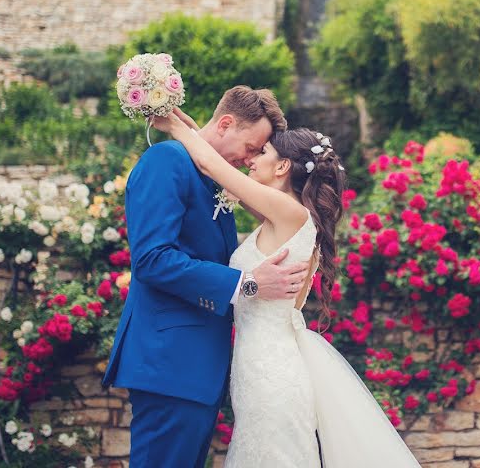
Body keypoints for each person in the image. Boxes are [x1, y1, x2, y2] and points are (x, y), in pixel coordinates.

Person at [153, 108, 421, 468]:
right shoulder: (280, 214)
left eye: (262, 152)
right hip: (258, 368)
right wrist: (192, 127)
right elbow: (211, 166)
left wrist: (173, 127)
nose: (251, 158)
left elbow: (215, 168)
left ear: (282, 168)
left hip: (271, 372)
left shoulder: (288, 212)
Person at [102, 86, 312, 468]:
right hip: (171, 363)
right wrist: (246, 284)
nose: (250, 158)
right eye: (251, 146)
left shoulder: (212, 176)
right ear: (227, 123)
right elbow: (152, 259)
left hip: (198, 369)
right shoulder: (166, 160)